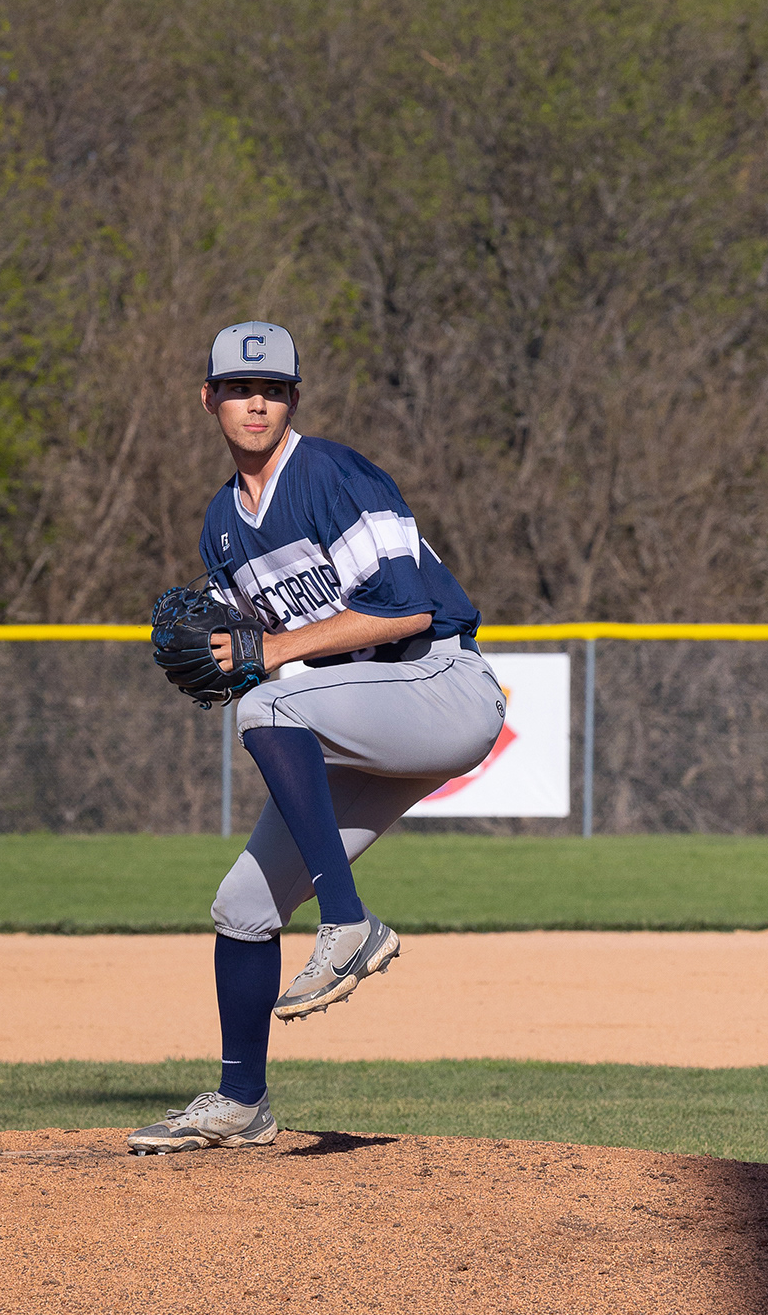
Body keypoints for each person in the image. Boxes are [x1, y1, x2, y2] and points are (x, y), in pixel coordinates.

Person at [129, 321, 505, 1153]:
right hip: (362, 719)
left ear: (293, 399)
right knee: (242, 908)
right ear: (209, 399)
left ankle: (348, 922)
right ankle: (242, 1103)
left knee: (268, 708)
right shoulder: (221, 524)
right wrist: (232, 658)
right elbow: (262, 653)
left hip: (442, 685)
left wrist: (268, 655)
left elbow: (406, 610)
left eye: (272, 389)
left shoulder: (332, 475)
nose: (255, 404)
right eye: (238, 389)